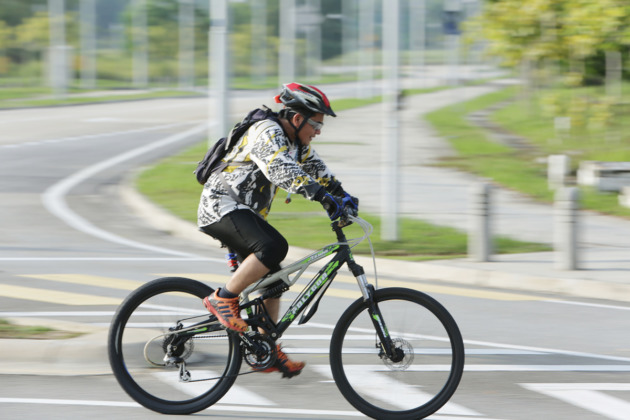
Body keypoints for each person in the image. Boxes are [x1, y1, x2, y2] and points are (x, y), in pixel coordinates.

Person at [197, 82, 359, 378]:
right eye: (316, 124)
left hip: (243, 213)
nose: (318, 131)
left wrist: (340, 194)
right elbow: (280, 169)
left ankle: (265, 349)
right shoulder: (267, 132)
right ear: (297, 119)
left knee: (274, 280)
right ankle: (223, 298)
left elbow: (316, 169)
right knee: (274, 247)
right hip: (220, 207)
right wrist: (323, 197)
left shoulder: (297, 143)